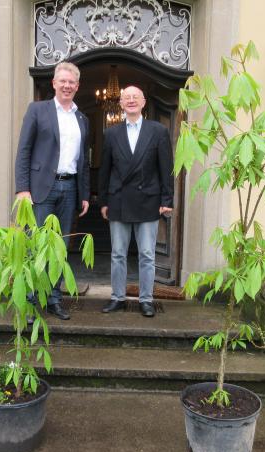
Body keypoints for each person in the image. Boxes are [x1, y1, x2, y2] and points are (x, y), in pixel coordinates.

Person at [14, 62, 90, 320]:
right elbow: (24, 151)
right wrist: (22, 188)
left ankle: (53, 299)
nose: (67, 85)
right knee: (36, 246)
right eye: (63, 81)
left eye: (72, 82)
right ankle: (29, 302)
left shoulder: (82, 119)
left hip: (70, 188)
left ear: (77, 86)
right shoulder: (37, 110)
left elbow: (84, 160)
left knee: (60, 247)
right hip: (40, 189)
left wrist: (84, 194)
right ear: (54, 83)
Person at [98, 86, 173, 317]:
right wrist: (103, 201)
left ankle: (146, 300)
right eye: (126, 98)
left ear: (143, 102)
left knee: (147, 255)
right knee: (118, 254)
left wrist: (167, 199)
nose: (131, 101)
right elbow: (105, 170)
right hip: (119, 200)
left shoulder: (158, 131)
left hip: (148, 200)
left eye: (135, 97)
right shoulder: (111, 133)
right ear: (120, 103)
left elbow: (166, 168)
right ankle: (117, 297)